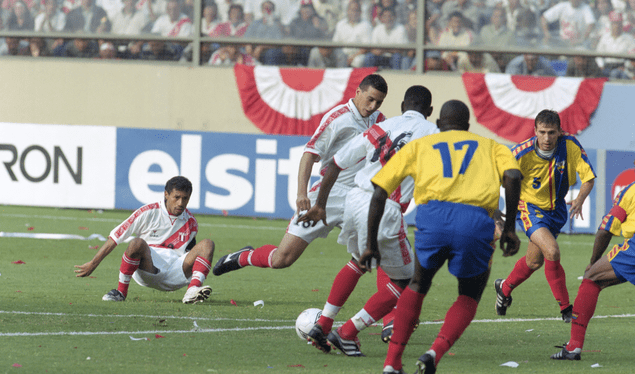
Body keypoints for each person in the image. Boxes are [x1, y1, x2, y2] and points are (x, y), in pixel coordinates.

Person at [367, 100, 522, 374]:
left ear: (439, 125)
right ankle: (433, 353)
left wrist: (370, 244)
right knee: (469, 293)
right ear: (468, 126)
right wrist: (509, 227)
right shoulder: (491, 146)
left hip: (433, 216)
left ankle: (392, 362)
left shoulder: (420, 146)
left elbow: (379, 192)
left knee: (418, 283)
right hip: (475, 220)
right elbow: (512, 176)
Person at [299, 85, 439, 356]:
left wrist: (320, 204)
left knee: (357, 261)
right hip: (385, 208)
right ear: (429, 111)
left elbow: (337, 163)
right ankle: (348, 332)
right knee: (406, 280)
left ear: (402, 106)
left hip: (356, 199)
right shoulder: (432, 133)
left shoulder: (382, 127)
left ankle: (323, 324)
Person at [212, 74, 388, 277]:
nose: (374, 106)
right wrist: (301, 194)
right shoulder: (338, 119)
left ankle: (338, 309)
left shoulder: (381, 121)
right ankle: (244, 257)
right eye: (370, 99)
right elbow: (309, 155)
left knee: (376, 251)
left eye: (379, 102)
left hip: (359, 198)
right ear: (358, 92)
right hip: (328, 195)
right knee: (282, 259)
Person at [495, 109, 596, 323]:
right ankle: (566, 309)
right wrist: (495, 211)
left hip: (557, 210)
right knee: (552, 250)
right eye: (542, 132)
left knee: (534, 262)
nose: (547, 138)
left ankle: (504, 289)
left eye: (551, 132)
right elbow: (495, 179)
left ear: (560, 131)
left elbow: (588, 178)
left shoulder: (570, 145)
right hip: (530, 208)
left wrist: (580, 199)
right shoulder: (520, 153)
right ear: (535, 131)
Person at [75, 176, 215, 304]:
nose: (181, 203)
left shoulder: (191, 222)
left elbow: (190, 254)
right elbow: (115, 237)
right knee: (136, 243)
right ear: (166, 194)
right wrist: (93, 263)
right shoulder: (148, 212)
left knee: (207, 244)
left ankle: (192, 291)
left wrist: (199, 272)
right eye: (176, 197)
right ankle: (120, 292)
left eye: (185, 198)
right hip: (149, 268)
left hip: (176, 272)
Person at [550, 171, 635, 361]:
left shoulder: (630, 191)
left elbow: (605, 230)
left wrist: (593, 262)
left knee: (592, 278)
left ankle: (573, 347)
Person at [331, 0, 372, 68]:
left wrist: (353, 56)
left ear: (360, 12)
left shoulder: (366, 25)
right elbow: (335, 43)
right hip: (342, 54)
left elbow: (367, 47)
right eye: (352, 10)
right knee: (338, 57)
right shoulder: (340, 24)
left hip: (358, 55)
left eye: (356, 10)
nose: (354, 13)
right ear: (347, 11)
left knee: (359, 61)